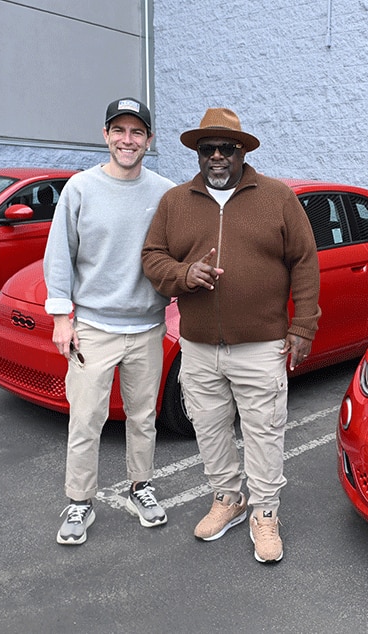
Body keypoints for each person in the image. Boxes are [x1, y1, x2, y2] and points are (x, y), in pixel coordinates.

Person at [142, 108, 321, 563]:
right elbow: (153, 256)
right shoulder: (175, 202)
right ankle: (228, 498)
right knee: (209, 427)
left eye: (228, 148)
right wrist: (185, 274)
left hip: (261, 345)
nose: (218, 156)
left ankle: (265, 511)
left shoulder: (278, 198)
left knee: (264, 431)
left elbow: (305, 262)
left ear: (243, 152)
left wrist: (303, 325)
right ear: (198, 154)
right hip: (199, 345)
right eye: (209, 149)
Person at [44, 98, 176, 545]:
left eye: (136, 132)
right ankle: (80, 502)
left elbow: (178, 253)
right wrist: (61, 318)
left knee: (143, 418)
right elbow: (59, 255)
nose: (127, 140)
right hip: (93, 329)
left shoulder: (165, 193)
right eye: (119, 130)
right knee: (85, 420)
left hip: (147, 328)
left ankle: (142, 487)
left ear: (149, 140)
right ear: (105, 135)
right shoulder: (80, 189)